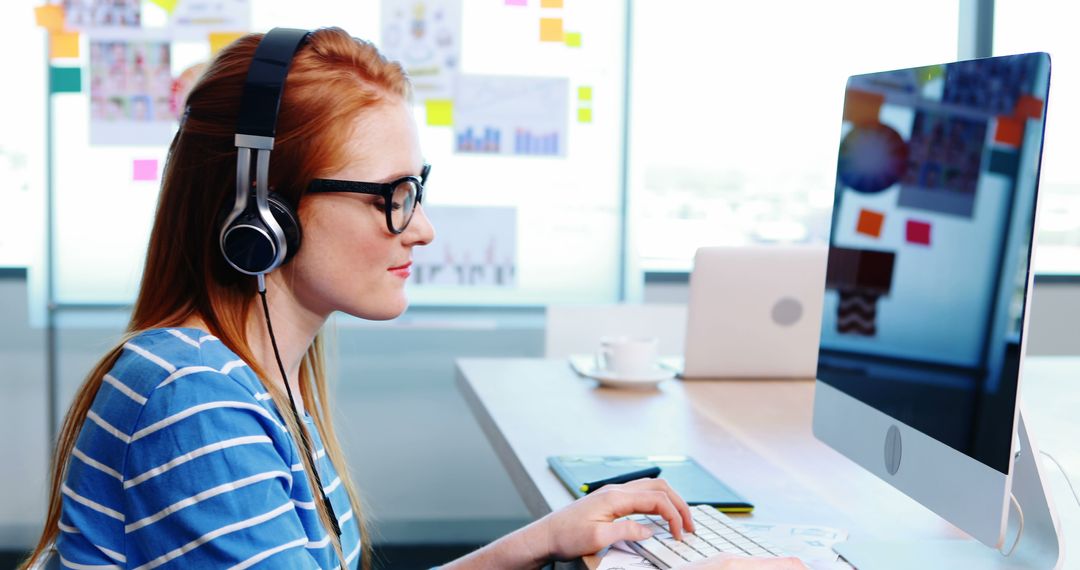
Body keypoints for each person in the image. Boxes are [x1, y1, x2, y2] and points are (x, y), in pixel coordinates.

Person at [20, 28, 807, 570]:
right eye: (390, 196)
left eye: (418, 191)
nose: (421, 228)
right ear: (262, 214)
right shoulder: (192, 403)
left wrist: (536, 542)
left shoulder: (245, 374)